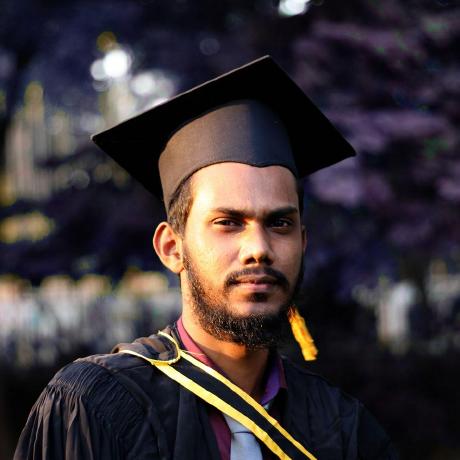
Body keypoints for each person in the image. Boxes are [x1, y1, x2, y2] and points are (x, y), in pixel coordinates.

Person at [15, 56, 398, 459]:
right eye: (228, 222)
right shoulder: (95, 408)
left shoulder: (344, 429)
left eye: (279, 223)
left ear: (303, 243)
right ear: (172, 248)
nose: (258, 248)